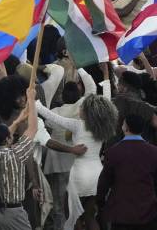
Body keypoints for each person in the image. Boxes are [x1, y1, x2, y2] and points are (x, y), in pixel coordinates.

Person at [35, 68, 116, 230]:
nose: (79, 110)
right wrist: (106, 75)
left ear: (87, 113)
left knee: (72, 216)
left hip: (78, 175)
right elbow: (107, 100)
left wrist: (34, 100)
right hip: (98, 174)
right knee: (90, 216)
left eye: (82, 109)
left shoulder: (78, 126)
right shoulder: (104, 125)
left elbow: (50, 116)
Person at [0, 82, 38, 229]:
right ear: (9, 139)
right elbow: (33, 128)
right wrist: (31, 99)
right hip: (13, 213)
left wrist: (17, 121)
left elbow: (0, 138)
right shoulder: (16, 153)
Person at [97, 114, 157, 230]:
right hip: (147, 211)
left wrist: (100, 202)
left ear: (125, 127)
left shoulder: (113, 152)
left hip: (121, 212)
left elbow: (104, 182)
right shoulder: (156, 152)